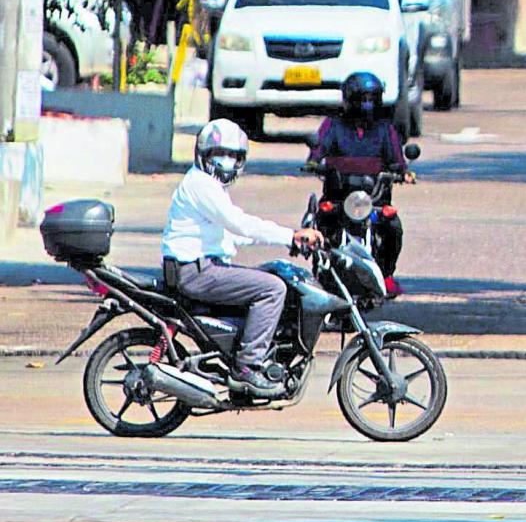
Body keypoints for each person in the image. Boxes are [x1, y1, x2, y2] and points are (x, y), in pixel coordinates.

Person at [162, 119, 324, 397]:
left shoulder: (205, 186)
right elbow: (239, 223)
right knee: (273, 289)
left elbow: (231, 233)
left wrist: (287, 240)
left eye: (233, 156)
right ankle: (248, 367)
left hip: (200, 267)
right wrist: (290, 236)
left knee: (272, 274)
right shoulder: (202, 185)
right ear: (203, 154)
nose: (226, 161)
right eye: (219, 154)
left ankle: (243, 351)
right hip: (196, 272)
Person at [307, 72, 408, 297]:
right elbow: (318, 148)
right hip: (339, 197)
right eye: (361, 99)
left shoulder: (385, 128)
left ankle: (386, 274)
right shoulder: (333, 125)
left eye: (372, 99)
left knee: (393, 226)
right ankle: (323, 271)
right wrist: (314, 161)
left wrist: (402, 172)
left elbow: (396, 160)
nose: (367, 105)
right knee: (323, 219)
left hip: (374, 200)